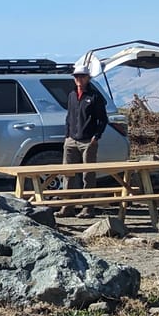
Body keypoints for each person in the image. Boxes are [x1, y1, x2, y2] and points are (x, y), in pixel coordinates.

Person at [57, 64, 108, 218]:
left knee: (88, 175)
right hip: (71, 139)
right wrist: (67, 135)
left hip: (88, 141)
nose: (79, 79)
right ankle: (67, 207)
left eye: (82, 76)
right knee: (68, 174)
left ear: (88, 78)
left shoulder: (95, 96)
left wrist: (96, 137)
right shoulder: (72, 94)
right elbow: (69, 116)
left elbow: (103, 120)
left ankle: (88, 208)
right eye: (76, 76)